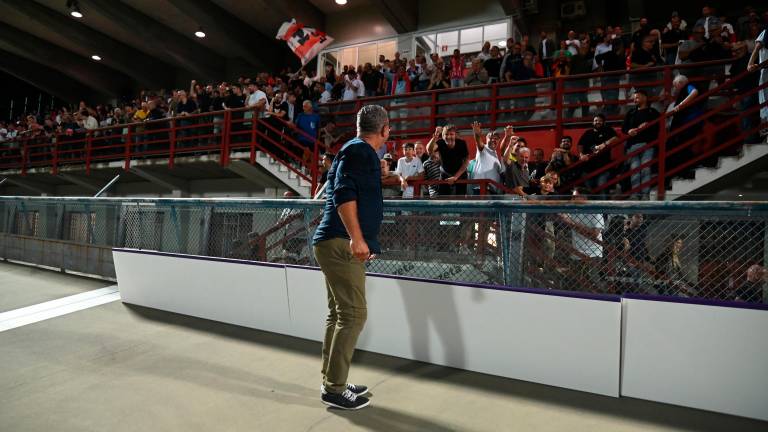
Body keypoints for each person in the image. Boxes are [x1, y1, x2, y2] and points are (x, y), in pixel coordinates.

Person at [312, 105, 390, 410]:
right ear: (384, 129)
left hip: (333, 242)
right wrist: (357, 238)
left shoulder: (354, 151)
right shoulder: (360, 152)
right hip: (341, 244)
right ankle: (334, 389)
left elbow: (348, 188)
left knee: (338, 314)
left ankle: (333, 379)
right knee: (354, 315)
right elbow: (344, 194)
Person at [622, 90, 660, 197]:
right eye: (634, 98)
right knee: (634, 170)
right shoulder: (631, 112)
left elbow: (658, 128)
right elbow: (624, 128)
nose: (635, 100)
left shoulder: (653, 112)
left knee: (645, 169)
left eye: (637, 98)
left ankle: (645, 195)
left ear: (645, 98)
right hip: (633, 145)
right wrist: (629, 131)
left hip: (648, 145)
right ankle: (635, 195)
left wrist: (648, 125)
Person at [578, 114, 617, 197]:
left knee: (602, 188)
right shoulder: (588, 132)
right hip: (588, 168)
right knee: (589, 192)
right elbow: (580, 145)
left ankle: (604, 205)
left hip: (603, 167)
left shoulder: (608, 130)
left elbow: (615, 138)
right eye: (595, 120)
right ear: (593, 122)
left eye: (600, 121)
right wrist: (581, 155)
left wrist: (604, 144)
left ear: (603, 122)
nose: (597, 122)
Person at [427, 125, 469, 196]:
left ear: (455, 135)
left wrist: (455, 177)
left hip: (460, 174)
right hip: (445, 173)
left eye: (451, 134)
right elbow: (429, 150)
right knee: (443, 198)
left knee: (460, 198)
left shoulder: (461, 143)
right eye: (446, 134)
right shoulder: (440, 142)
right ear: (443, 136)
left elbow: (466, 161)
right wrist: (435, 137)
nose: (448, 137)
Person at [470, 121, 504, 195]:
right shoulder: (483, 149)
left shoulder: (495, 155)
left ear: (499, 141)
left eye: (496, 138)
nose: (493, 140)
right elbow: (478, 142)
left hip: (493, 191)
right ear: (486, 139)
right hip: (482, 189)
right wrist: (477, 134)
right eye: (490, 138)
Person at [747, 25, 768, 133]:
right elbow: (757, 47)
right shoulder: (766, 32)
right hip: (766, 71)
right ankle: (765, 127)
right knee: (765, 99)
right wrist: (750, 63)